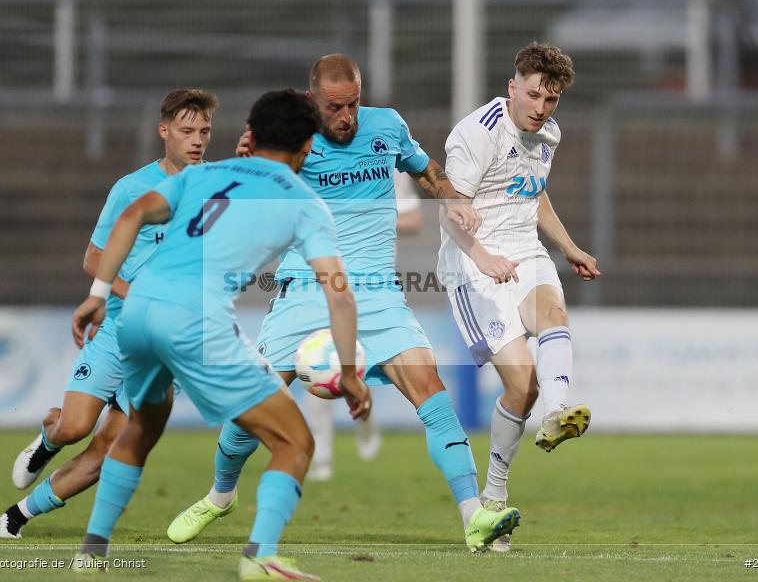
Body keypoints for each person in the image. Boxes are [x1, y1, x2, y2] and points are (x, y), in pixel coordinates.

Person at [168, 54, 522, 554]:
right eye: (336, 107)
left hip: (377, 292)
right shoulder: (293, 139)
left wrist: (452, 198)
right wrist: (247, 161)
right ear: (314, 100)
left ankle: (474, 517)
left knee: (433, 395)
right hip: (304, 287)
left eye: (354, 103)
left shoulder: (387, 126)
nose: (347, 116)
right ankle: (220, 495)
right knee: (250, 409)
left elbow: (426, 170)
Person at [69, 89, 371, 580]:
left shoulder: (199, 176)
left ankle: (92, 551)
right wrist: (352, 374)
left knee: (142, 427)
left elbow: (132, 217)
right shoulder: (304, 201)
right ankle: (261, 557)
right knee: (294, 443)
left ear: (252, 133)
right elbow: (339, 294)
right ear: (309, 145)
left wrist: (99, 293)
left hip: (138, 312)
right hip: (195, 320)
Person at [0, 89, 217, 539]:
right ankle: (49, 437)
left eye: (205, 131)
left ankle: (16, 516)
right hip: (117, 328)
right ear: (164, 131)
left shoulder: (218, 188)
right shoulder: (132, 189)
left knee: (108, 452)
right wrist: (131, 292)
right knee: (75, 428)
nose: (197, 140)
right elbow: (94, 260)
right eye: (187, 130)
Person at [438, 42, 600, 552]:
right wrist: (482, 256)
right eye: (532, 95)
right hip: (472, 266)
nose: (540, 108)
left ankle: (557, 413)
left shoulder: (548, 132)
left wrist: (569, 246)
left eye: (551, 100)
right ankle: (492, 499)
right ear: (513, 87)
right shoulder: (477, 133)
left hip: (524, 252)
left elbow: (535, 192)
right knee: (519, 386)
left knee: (555, 312)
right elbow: (450, 205)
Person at [303, 170, 422, 481]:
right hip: (325, 278)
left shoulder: (390, 168)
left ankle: (366, 421)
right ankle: (322, 458)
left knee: (362, 366)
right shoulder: (317, 161)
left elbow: (413, 220)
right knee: (316, 361)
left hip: (374, 283)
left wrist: (368, 222)